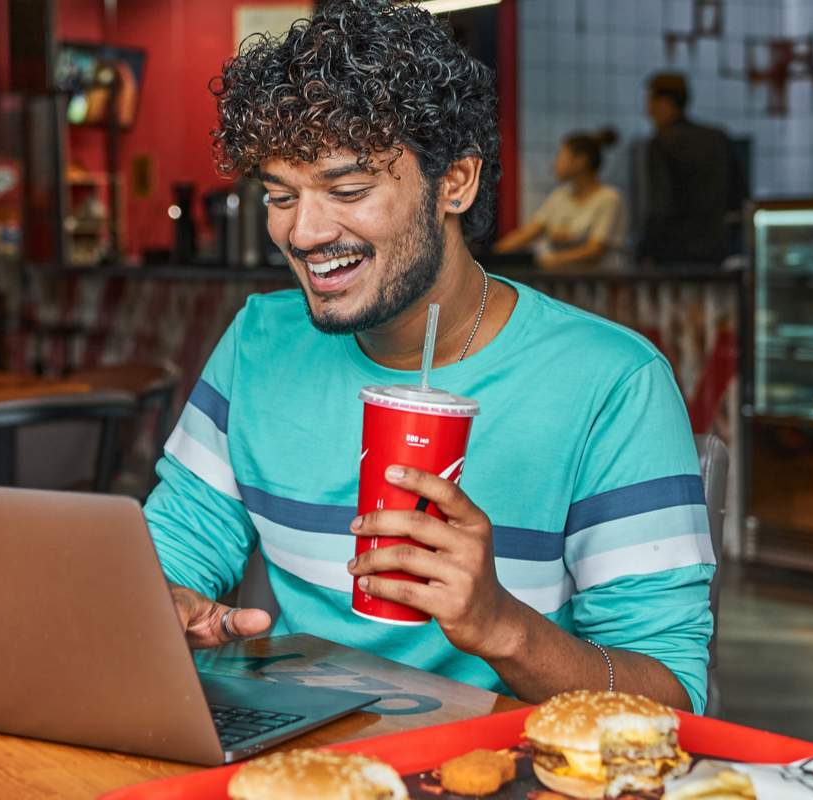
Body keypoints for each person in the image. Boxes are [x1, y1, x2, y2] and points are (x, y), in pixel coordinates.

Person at [145, 0, 715, 713]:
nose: (305, 231)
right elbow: (172, 551)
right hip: (300, 759)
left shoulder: (611, 383)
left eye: (348, 189)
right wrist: (164, 606)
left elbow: (673, 700)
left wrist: (501, 626)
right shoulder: (260, 342)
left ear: (455, 183)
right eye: (280, 195)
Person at [639, 72, 747, 268]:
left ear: (664, 102)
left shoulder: (661, 143)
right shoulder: (718, 137)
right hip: (716, 249)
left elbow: (659, 204)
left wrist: (645, 251)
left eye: (650, 102)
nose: (648, 111)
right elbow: (739, 195)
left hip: (672, 252)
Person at [493, 129, 628, 271]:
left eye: (561, 156)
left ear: (581, 161)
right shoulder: (560, 196)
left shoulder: (609, 198)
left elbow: (595, 250)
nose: (555, 163)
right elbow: (528, 233)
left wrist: (550, 260)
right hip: (566, 285)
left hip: (601, 287)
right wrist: (492, 254)